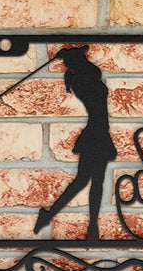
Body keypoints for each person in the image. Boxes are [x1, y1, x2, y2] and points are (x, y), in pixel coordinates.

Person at [34, 46, 115, 241]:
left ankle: (91, 228)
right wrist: (71, 54)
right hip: (96, 133)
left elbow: (93, 70)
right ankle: (52, 216)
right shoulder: (82, 81)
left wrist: (70, 52)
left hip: (100, 132)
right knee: (83, 182)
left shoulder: (85, 76)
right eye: (80, 58)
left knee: (95, 182)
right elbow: (92, 71)